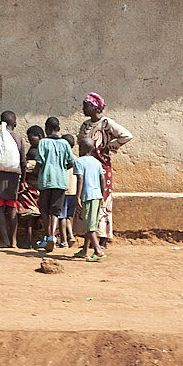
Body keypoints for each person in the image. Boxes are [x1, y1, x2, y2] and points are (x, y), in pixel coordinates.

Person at [77, 92, 133, 246]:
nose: (83, 109)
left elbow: (126, 135)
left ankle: (102, 237)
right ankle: (91, 238)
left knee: (102, 198)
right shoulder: (85, 125)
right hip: (87, 167)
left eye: (86, 106)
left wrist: (110, 146)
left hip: (102, 167)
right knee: (88, 199)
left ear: (94, 107)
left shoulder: (106, 123)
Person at [34, 117, 75, 252]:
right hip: (60, 181)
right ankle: (52, 236)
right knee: (55, 211)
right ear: (58, 129)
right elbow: (71, 162)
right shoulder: (65, 144)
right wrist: (61, 168)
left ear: (46, 129)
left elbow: (39, 162)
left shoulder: (43, 142)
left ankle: (48, 236)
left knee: (44, 210)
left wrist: (35, 172)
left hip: (46, 180)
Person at [0, 110, 27, 248]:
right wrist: (23, 181)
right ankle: (14, 241)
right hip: (13, 179)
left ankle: (5, 240)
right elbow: (23, 163)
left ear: (1, 123)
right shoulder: (18, 139)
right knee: (12, 208)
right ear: (14, 123)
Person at [73, 138, 106, 261]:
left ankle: (98, 251)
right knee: (90, 223)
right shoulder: (97, 162)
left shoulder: (79, 162)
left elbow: (80, 179)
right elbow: (102, 179)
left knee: (89, 226)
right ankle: (85, 251)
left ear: (81, 148)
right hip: (97, 195)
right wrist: (102, 194)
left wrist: (77, 197)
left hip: (88, 196)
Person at [18, 125, 45, 247]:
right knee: (29, 215)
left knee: (40, 216)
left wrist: (29, 172)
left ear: (39, 136)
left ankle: (40, 239)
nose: (30, 141)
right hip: (31, 189)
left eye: (31, 139)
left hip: (40, 188)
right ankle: (28, 239)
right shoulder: (32, 150)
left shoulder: (43, 150)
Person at [59, 133, 78, 247]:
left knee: (61, 216)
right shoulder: (76, 159)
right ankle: (71, 235)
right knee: (69, 216)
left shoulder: (62, 158)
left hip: (63, 190)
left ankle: (64, 240)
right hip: (74, 191)